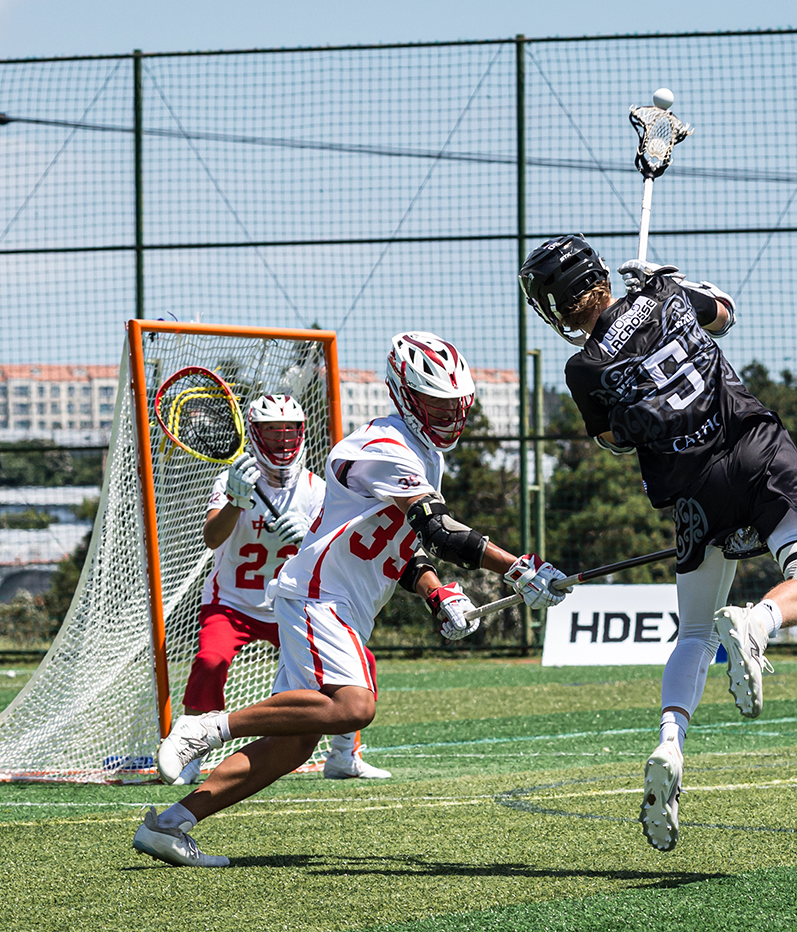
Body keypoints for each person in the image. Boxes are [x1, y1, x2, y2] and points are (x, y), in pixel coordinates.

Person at [133, 332, 568, 867]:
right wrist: (519, 568)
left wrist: (437, 595)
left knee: (295, 744)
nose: (451, 417)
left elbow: (403, 551)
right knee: (354, 707)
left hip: (340, 603)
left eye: (457, 405)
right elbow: (438, 529)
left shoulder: (425, 457)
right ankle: (206, 727)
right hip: (321, 596)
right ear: (406, 396)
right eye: (437, 405)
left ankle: (170, 825)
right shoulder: (385, 448)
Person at [519, 235, 797, 852]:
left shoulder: (582, 369)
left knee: (693, 632)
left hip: (693, 489)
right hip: (754, 448)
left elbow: (613, 440)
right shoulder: (665, 293)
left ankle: (671, 743)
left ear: (559, 306)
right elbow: (725, 313)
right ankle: (759, 623)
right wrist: (668, 281)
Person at [171, 393, 390, 786]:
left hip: (291, 603)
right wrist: (237, 501)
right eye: (272, 430)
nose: (282, 438)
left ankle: (344, 755)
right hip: (233, 602)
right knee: (210, 661)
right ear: (256, 433)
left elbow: (334, 552)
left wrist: (309, 536)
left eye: (289, 429)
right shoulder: (233, 480)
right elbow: (212, 537)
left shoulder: (317, 488)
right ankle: (190, 752)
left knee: (362, 664)